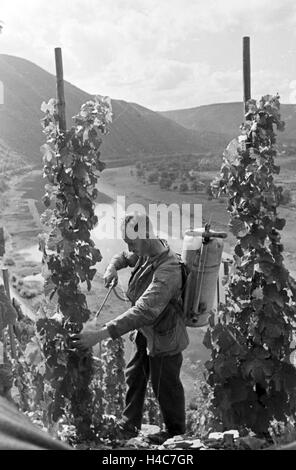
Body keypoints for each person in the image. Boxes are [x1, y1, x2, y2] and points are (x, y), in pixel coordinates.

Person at [72, 212, 189, 444]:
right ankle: (129, 423)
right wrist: (112, 268)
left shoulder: (169, 269)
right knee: (134, 374)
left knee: (164, 385)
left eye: (131, 241)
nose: (129, 247)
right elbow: (124, 257)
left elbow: (144, 311)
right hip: (147, 332)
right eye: (126, 242)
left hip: (164, 335)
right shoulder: (146, 253)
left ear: (146, 235)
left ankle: (176, 434)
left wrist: (100, 335)